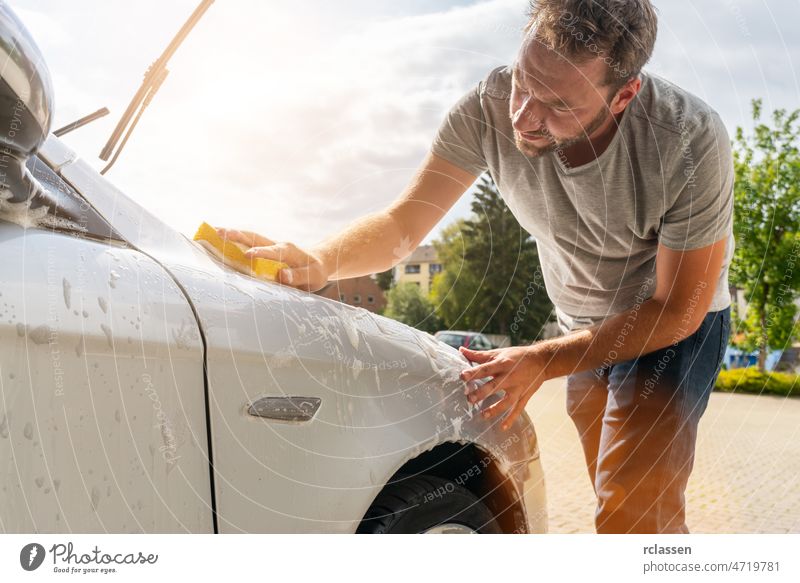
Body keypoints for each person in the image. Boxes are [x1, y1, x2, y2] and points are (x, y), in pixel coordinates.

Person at [218, 0, 733, 534]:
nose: (524, 116)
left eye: (558, 105)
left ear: (624, 94)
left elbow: (678, 309)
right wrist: (323, 258)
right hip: (580, 323)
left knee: (633, 505)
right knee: (613, 493)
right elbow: (401, 227)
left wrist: (539, 359)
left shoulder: (687, 140)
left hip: (670, 329)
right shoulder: (487, 106)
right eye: (524, 81)